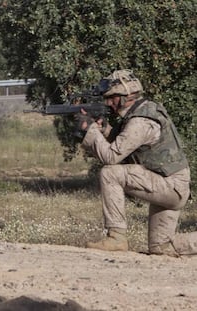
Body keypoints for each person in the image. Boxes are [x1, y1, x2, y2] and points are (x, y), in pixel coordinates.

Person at [78, 69, 197, 256]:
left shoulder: (140, 121)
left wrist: (91, 130)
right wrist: (104, 130)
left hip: (170, 186)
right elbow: (124, 143)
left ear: (125, 96)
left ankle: (116, 237)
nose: (108, 102)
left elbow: (111, 156)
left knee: (110, 172)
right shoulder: (141, 112)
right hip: (169, 185)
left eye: (111, 98)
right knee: (161, 248)